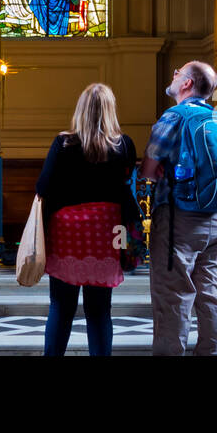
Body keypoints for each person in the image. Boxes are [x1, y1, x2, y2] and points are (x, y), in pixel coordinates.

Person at [34, 83, 141, 357]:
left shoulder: (64, 143)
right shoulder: (124, 144)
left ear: (80, 109)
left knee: (61, 306)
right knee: (99, 310)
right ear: (110, 110)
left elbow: (43, 186)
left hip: (67, 231)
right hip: (106, 231)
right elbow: (125, 185)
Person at [140, 61, 217, 356]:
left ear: (187, 84)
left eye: (178, 72)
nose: (173, 74)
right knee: (210, 296)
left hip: (179, 220)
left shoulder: (174, 116)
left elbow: (148, 168)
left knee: (173, 297)